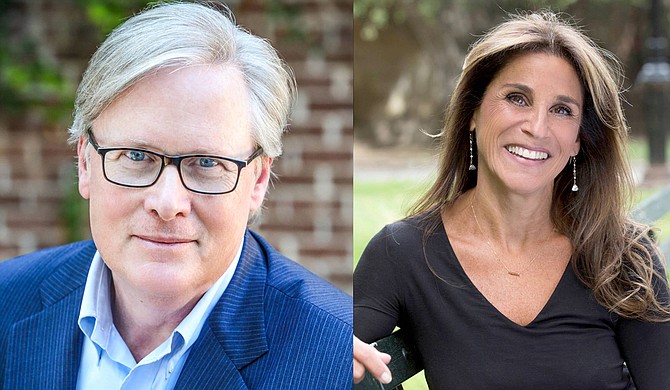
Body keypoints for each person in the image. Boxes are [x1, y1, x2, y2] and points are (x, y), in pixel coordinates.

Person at [0, 2, 352, 389]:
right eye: (135, 156)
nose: (167, 204)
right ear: (85, 163)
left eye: (206, 163)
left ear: (257, 180)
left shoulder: (334, 359)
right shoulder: (6, 302)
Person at [354, 10, 670, 389]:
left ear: (577, 141)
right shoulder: (403, 253)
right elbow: (323, 350)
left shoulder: (623, 257)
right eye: (517, 99)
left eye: (561, 110)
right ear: (473, 112)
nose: (537, 127)